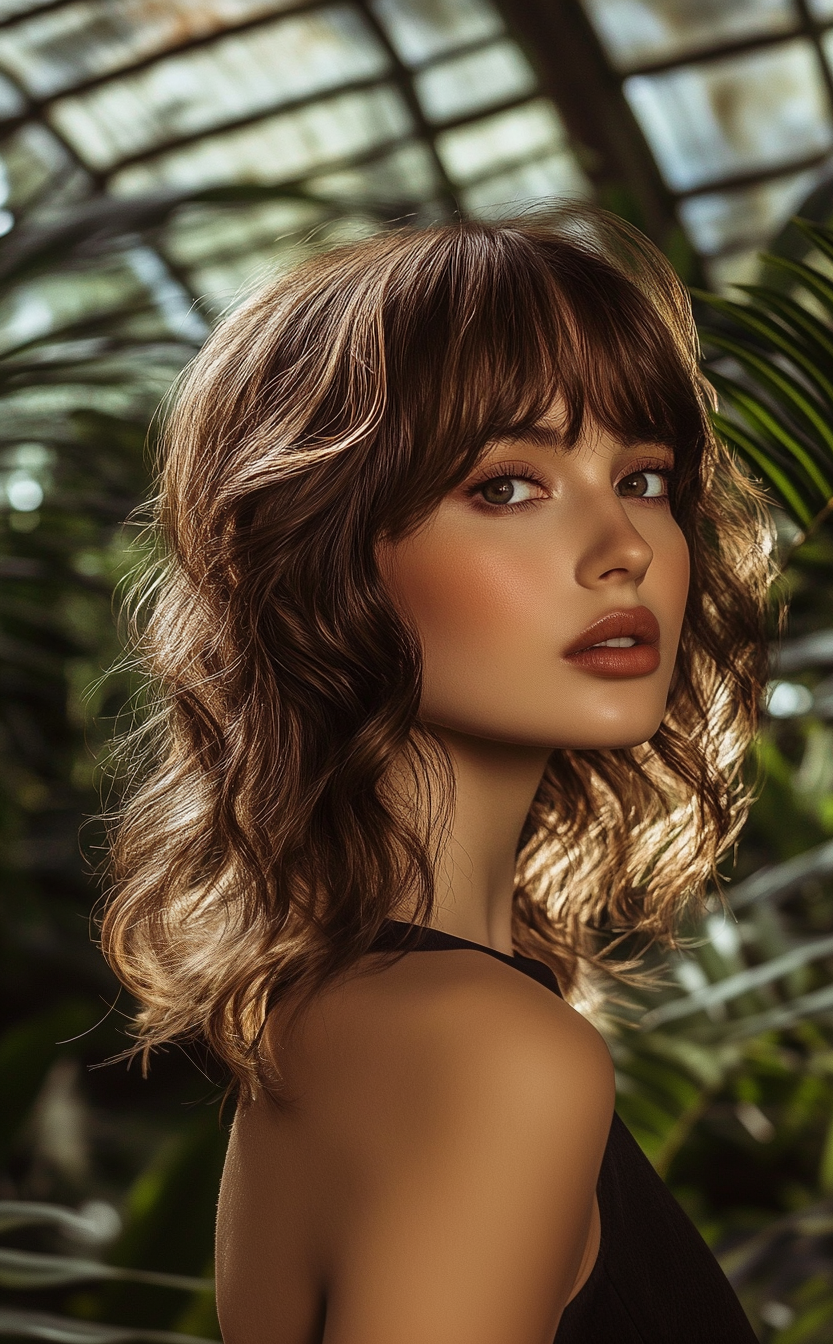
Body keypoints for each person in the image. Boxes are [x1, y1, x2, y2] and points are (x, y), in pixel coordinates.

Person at [102, 213, 771, 1343]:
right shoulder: (486, 1053)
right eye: (508, 486)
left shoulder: (325, 1022)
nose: (622, 546)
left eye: (644, 475)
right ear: (322, 556)